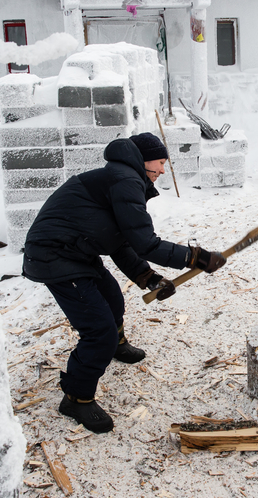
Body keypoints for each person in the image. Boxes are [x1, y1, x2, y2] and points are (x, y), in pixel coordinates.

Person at [22, 132, 226, 433]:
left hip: (77, 251)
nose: (162, 169)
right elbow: (145, 242)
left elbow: (119, 240)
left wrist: (149, 278)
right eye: (160, 162)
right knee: (98, 330)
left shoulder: (121, 178)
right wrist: (195, 257)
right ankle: (77, 398)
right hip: (55, 257)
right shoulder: (126, 181)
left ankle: (114, 346)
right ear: (144, 160)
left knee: (113, 299)